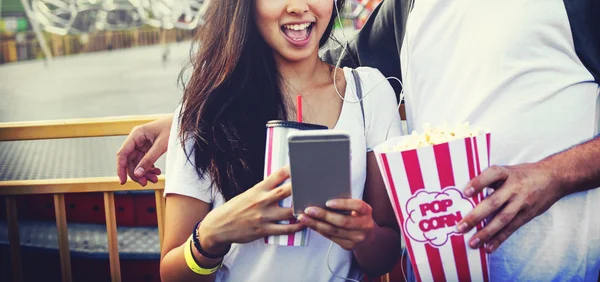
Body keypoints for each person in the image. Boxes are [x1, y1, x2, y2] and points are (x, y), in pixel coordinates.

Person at [118, 0, 600, 280]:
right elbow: (313, 67)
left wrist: (551, 176)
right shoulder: (409, 6)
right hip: (445, 270)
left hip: (563, 267)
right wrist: (192, 115)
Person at [141, 0, 405, 281]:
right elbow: (172, 274)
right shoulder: (205, 111)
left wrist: (364, 236)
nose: (298, 7)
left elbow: (384, 258)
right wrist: (211, 235)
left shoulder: (370, 93)